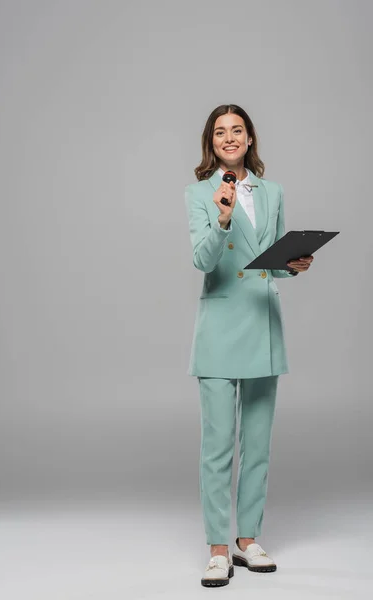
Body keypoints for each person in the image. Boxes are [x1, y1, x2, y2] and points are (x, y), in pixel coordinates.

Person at [184, 104, 313, 588]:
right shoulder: (199, 193)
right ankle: (218, 545)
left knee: (257, 444)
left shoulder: (273, 191)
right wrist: (221, 216)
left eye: (237, 130)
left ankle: (248, 538)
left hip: (263, 323)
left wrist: (292, 265)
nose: (230, 137)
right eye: (221, 132)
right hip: (219, 326)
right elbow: (203, 260)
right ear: (211, 143)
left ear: (250, 138)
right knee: (217, 445)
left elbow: (269, 261)